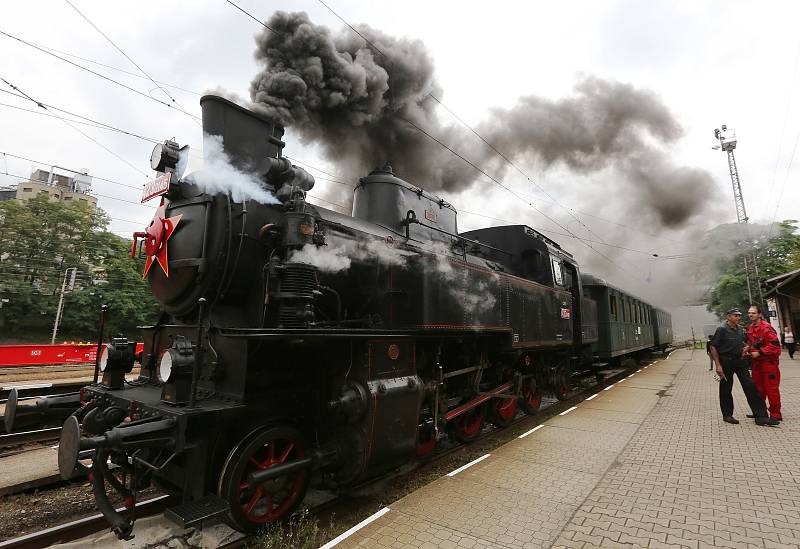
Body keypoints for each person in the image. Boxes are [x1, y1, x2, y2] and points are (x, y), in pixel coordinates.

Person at [708, 308, 778, 426]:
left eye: (739, 315)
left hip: (740, 362)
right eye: (736, 315)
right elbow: (713, 347)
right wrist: (718, 365)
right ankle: (727, 415)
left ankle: (761, 416)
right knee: (726, 388)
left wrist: (747, 348)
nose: (739, 318)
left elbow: (746, 342)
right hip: (726, 362)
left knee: (750, 386)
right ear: (729, 317)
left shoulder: (740, 329)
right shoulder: (722, 329)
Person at [745, 306, 782, 422]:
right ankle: (761, 412)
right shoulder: (750, 328)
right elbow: (752, 344)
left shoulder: (766, 328)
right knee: (758, 389)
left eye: (753, 313)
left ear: (759, 314)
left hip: (768, 363)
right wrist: (748, 350)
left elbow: (775, 346)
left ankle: (776, 414)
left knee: (771, 389)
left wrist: (760, 352)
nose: (751, 315)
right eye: (749, 313)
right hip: (757, 364)